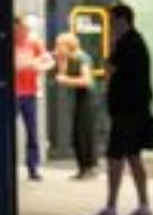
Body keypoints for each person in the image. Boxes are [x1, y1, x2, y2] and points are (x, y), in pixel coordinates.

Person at [89, 4, 153, 215]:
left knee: (115, 158)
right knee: (133, 157)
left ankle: (110, 210)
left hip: (126, 112)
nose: (111, 26)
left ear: (123, 20)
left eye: (113, 21)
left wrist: (112, 50)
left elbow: (108, 67)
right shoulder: (137, 42)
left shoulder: (128, 43)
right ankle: (144, 207)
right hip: (136, 110)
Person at [12, 17, 54, 182]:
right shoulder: (10, 44)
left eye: (27, 29)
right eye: (22, 28)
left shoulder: (34, 43)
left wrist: (38, 66)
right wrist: (32, 62)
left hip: (29, 92)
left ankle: (33, 167)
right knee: (8, 130)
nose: (25, 32)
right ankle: (8, 164)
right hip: (13, 93)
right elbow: (16, 66)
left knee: (32, 132)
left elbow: (49, 60)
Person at [52, 31, 98, 179]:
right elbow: (62, 73)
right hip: (79, 96)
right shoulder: (71, 58)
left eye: (60, 46)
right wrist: (60, 59)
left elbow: (86, 81)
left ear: (68, 45)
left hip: (88, 97)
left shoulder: (82, 58)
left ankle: (89, 167)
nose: (58, 48)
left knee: (85, 132)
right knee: (77, 132)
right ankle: (82, 167)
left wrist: (66, 80)